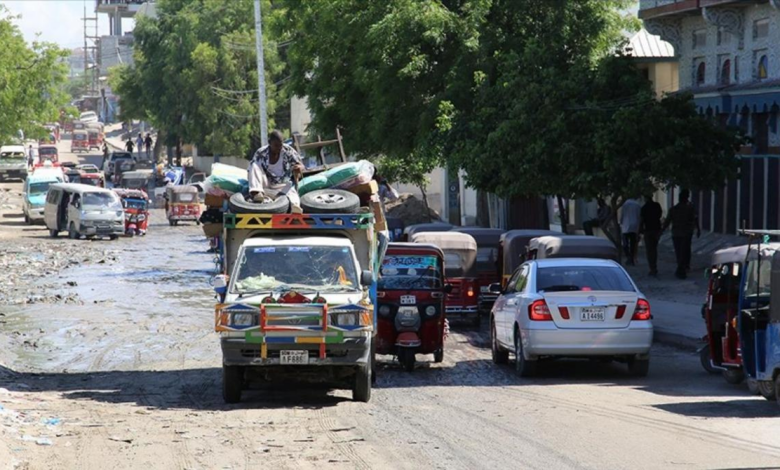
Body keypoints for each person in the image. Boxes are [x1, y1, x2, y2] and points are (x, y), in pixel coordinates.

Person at [247, 130, 305, 212]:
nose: (278, 148)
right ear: (269, 142)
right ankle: (257, 193)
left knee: (293, 195)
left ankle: (295, 210)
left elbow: (301, 165)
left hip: (282, 185)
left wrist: (299, 167)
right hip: (266, 183)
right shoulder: (261, 153)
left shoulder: (288, 151)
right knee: (254, 165)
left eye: (280, 145)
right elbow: (251, 170)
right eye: (276, 145)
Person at [662, 189, 700, 279]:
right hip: (686, 233)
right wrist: (698, 229)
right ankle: (683, 268)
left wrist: (661, 231)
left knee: (679, 252)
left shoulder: (674, 209)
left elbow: (667, 221)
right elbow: (695, 219)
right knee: (685, 251)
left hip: (676, 233)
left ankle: (682, 268)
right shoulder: (690, 208)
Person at [640, 194, 663, 276]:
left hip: (648, 230)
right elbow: (660, 215)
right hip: (656, 229)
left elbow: (641, 220)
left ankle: (652, 268)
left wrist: (640, 230)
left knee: (650, 250)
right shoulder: (657, 206)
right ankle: (654, 267)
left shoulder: (644, 208)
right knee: (654, 249)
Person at [620, 198, 641, 265]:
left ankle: (629, 257)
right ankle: (631, 258)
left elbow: (622, 215)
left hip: (625, 226)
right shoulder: (637, 205)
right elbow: (639, 216)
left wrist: (621, 222)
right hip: (634, 226)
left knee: (625, 244)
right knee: (632, 244)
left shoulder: (625, 204)